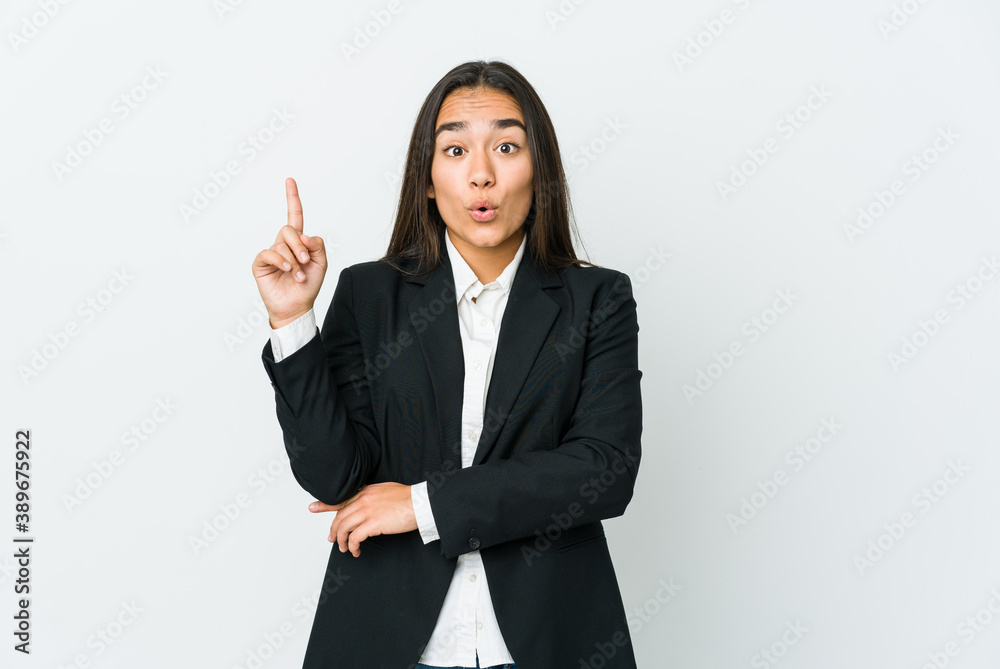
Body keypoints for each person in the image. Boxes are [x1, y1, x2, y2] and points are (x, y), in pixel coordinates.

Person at [251, 60, 643, 669]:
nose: (481, 174)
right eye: (455, 150)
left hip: (551, 637)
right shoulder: (370, 295)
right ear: (428, 180)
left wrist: (420, 504)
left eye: (506, 147)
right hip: (389, 640)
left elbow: (604, 468)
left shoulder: (598, 301)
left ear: (540, 172)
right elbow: (333, 478)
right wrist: (293, 320)